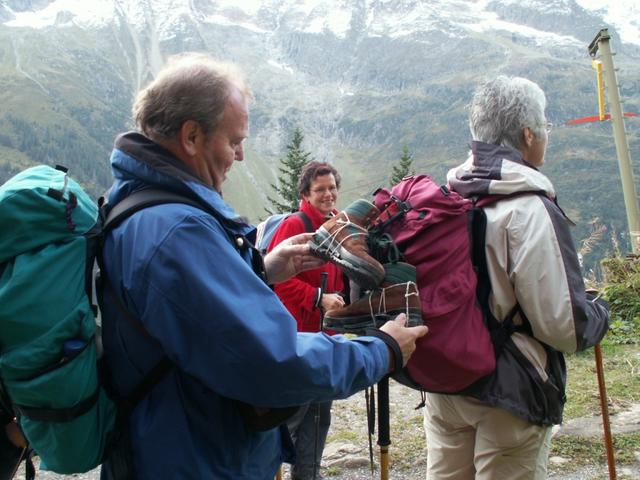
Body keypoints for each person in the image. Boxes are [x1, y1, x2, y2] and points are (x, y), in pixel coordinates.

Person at [99, 52, 428, 480]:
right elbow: (271, 362)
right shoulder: (176, 229)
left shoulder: (138, 203)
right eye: (234, 141)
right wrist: (381, 351)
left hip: (170, 444)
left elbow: (188, 316)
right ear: (192, 136)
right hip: (196, 459)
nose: (238, 156)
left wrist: (263, 269)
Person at [423, 75, 610, 479]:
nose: (546, 134)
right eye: (544, 126)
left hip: (446, 381)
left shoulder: (447, 195)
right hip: (509, 388)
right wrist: (598, 314)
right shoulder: (528, 208)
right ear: (528, 134)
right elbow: (563, 326)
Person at [267, 161, 346, 480]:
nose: (328, 194)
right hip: (296, 339)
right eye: (320, 190)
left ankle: (307, 475)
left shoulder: (336, 224)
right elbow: (277, 280)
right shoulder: (294, 225)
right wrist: (318, 298)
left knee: (318, 415)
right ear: (305, 193)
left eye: (332, 188)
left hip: (324, 337)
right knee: (296, 416)